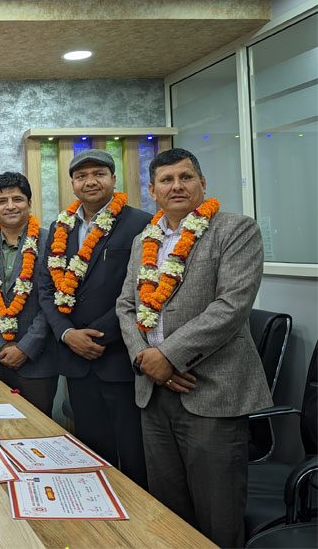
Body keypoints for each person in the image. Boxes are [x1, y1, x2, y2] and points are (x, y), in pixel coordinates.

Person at [116, 148, 271, 548]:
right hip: (154, 392)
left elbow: (231, 306)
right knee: (167, 514)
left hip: (211, 391)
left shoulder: (235, 229)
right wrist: (145, 359)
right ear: (152, 191)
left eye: (185, 177)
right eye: (166, 180)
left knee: (218, 517)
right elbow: (126, 305)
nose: (177, 186)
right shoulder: (143, 240)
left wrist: (168, 356)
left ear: (202, 183)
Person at [37, 149, 151, 487]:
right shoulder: (61, 226)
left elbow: (143, 290)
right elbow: (46, 287)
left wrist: (98, 335)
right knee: (91, 452)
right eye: (81, 176)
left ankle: (139, 518)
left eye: (99, 174)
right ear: (72, 184)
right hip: (76, 360)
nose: (90, 181)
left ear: (113, 179)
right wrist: (67, 334)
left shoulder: (141, 223)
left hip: (121, 358)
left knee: (134, 455)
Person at [0, 172, 57, 415]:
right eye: (2, 201)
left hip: (36, 360)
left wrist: (25, 348)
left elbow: (53, 300)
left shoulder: (52, 241)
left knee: (38, 431)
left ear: (29, 203)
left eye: (17, 199)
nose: (10, 206)